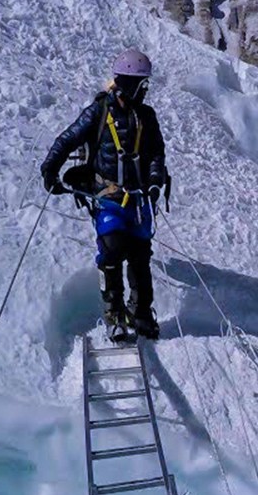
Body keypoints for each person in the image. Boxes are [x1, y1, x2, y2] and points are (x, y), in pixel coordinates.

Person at [40, 48, 169, 340]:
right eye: (141, 84)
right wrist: (50, 169)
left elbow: (156, 155)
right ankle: (114, 313)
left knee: (140, 257)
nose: (144, 90)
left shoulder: (146, 117)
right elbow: (68, 138)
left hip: (138, 201)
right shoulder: (98, 112)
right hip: (108, 197)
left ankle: (141, 313)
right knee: (111, 251)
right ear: (126, 83)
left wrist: (153, 182)